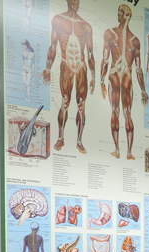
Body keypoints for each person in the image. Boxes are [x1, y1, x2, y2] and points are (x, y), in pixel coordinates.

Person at [41, 0, 96, 154]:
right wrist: (48, 68)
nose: (77, 2)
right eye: (74, 0)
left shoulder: (86, 26)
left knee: (81, 105)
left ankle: (79, 141)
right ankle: (61, 137)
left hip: (81, 66)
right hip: (66, 64)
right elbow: (53, 46)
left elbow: (90, 54)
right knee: (65, 101)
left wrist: (93, 77)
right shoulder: (58, 20)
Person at [100, 4, 149, 160]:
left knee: (120, 112)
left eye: (120, 13)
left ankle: (124, 151)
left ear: (127, 16)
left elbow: (106, 60)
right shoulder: (132, 40)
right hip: (122, 76)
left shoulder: (124, 38)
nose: (118, 15)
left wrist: (143, 90)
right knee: (123, 113)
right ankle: (124, 151)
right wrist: (101, 81)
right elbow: (106, 60)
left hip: (118, 75)